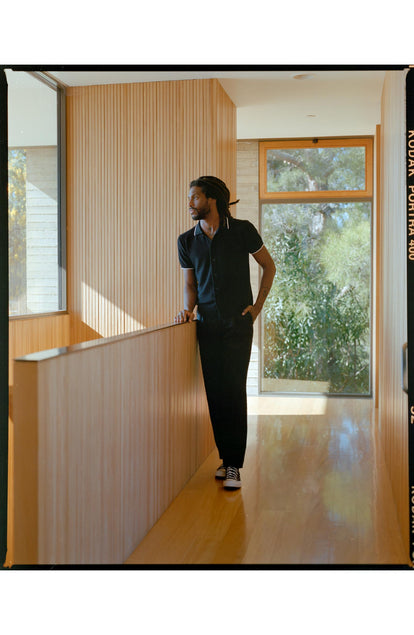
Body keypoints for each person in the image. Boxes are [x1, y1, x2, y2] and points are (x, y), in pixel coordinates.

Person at [175, 176, 276, 490]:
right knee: (216, 393)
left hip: (237, 324)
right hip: (207, 326)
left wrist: (257, 307)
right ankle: (225, 458)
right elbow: (190, 285)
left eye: (194, 197)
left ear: (211, 199)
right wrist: (187, 309)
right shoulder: (186, 241)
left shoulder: (242, 230)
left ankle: (234, 464)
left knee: (233, 389)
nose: (189, 204)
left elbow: (269, 266)